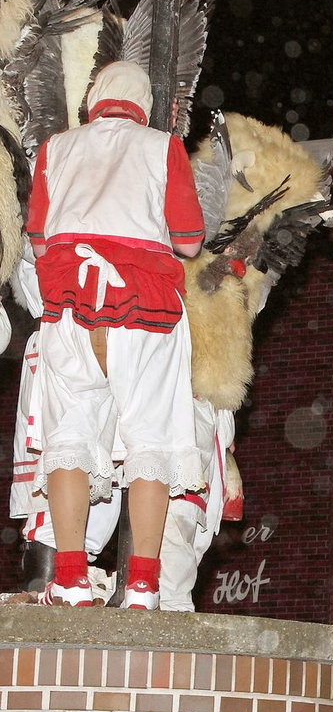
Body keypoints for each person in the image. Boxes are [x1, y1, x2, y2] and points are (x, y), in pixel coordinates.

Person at [23, 61, 205, 608]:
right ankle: (144, 586)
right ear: (143, 104)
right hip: (142, 306)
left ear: (93, 100)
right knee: (151, 440)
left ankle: (71, 578)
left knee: (71, 440)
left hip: (70, 305)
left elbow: (38, 242)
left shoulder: (56, 148)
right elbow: (191, 241)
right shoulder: (161, 146)